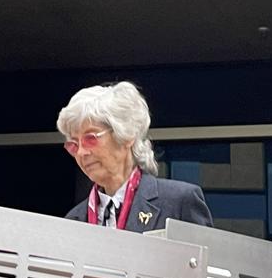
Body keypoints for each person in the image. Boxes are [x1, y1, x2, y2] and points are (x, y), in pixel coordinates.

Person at [57, 81, 213, 232]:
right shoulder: (73, 220)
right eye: (74, 145)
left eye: (90, 139)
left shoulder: (179, 202)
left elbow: (205, 258)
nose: (81, 152)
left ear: (127, 135)